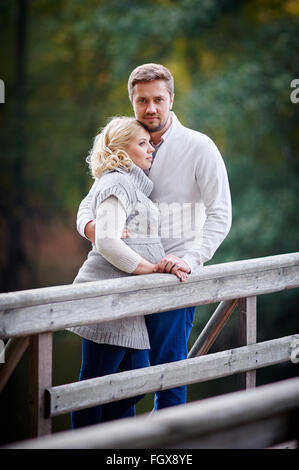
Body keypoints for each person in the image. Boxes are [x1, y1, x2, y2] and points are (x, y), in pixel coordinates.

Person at [76, 63, 232, 411]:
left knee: (169, 379)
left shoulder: (199, 147)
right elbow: (89, 205)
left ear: (171, 99)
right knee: (121, 386)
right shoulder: (126, 146)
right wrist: (93, 230)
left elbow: (220, 214)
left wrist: (190, 260)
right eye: (142, 100)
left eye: (158, 99)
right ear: (132, 101)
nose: (150, 109)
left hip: (172, 280)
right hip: (124, 279)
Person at [69, 116, 187, 429]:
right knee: (91, 391)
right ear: (121, 150)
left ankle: (118, 446)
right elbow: (107, 241)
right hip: (107, 300)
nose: (151, 150)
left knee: (130, 389)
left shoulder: (124, 183)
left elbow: (90, 211)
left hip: (129, 304)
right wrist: (153, 269)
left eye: (150, 143)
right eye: (142, 143)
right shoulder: (117, 182)